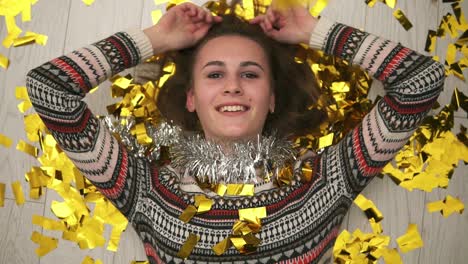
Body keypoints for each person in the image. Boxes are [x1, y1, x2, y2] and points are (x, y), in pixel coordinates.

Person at [26, 0, 445, 263]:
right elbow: (49, 89)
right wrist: (157, 38)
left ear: (273, 98)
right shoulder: (145, 187)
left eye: (250, 73)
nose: (232, 86)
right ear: (192, 98)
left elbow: (420, 82)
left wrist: (314, 32)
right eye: (214, 73)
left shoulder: (325, 179)